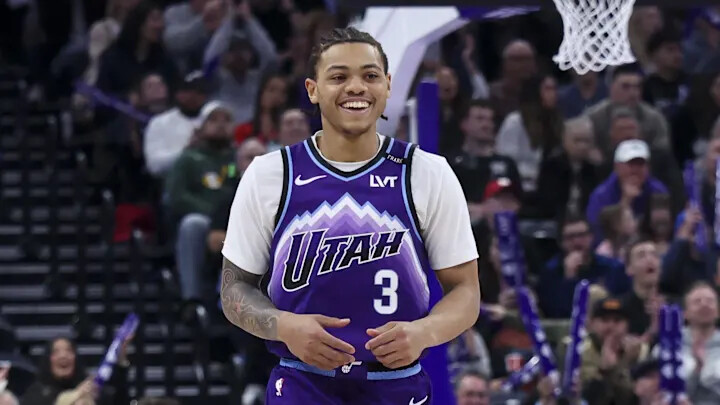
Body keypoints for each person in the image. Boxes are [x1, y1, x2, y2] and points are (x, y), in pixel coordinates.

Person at [221, 27, 480, 403]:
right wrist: (284, 325)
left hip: (397, 383)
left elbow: (466, 291)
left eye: (370, 75)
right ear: (313, 90)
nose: (356, 87)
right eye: (339, 76)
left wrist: (425, 332)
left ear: (387, 85)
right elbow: (234, 289)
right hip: (303, 382)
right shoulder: (269, 174)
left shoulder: (427, 172)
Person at [19, 337, 129, 405]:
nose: (63, 356)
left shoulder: (90, 389)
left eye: (69, 351)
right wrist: (77, 394)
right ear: (48, 360)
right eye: (56, 352)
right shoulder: (36, 393)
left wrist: (121, 364)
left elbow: (119, 402)